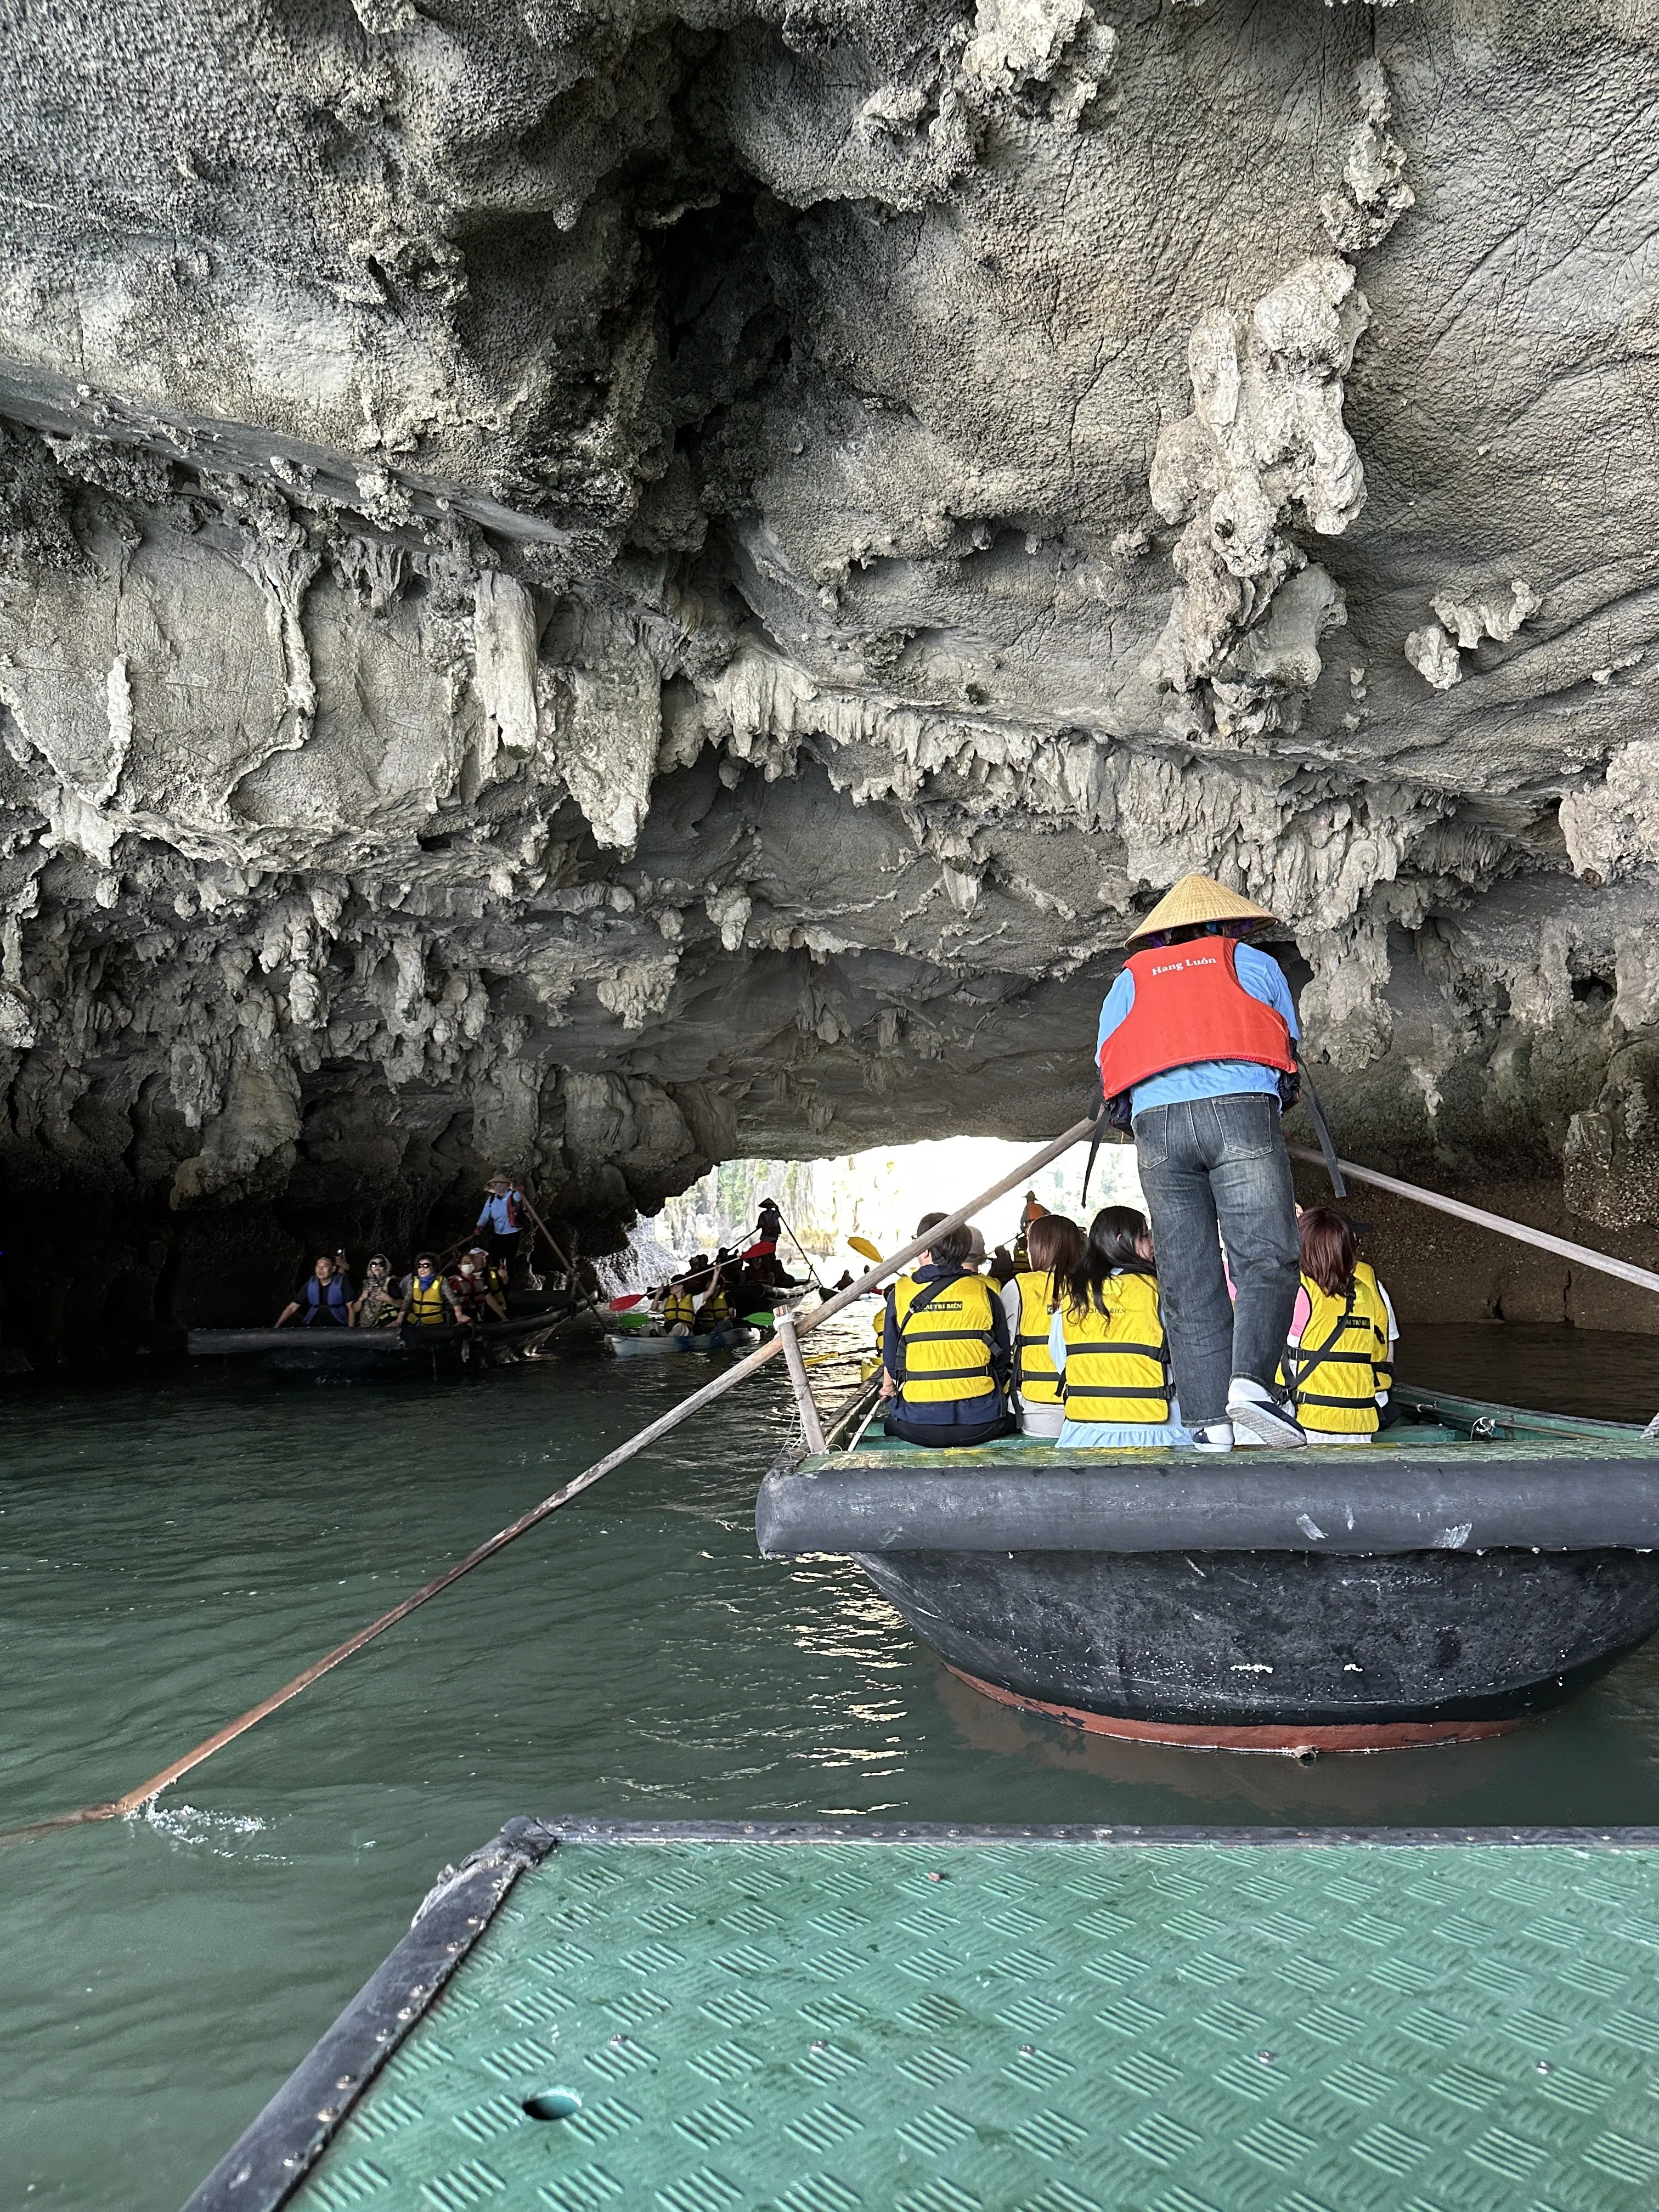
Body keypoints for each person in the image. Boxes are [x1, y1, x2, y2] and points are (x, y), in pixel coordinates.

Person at [1096, 872, 1304, 1455]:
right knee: (1264, 1256)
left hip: (1158, 1130)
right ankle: (1251, 1385)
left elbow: (1108, 1066)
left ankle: (1210, 1424)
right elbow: (1288, 1047)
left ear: (1163, 935)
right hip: (1240, 1113)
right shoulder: (1254, 963)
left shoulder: (1127, 981)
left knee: (1188, 1278)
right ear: (1226, 924)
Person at [1048, 1208, 1191, 1449]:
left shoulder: (1072, 1297)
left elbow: (1061, 1360)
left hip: (1085, 1435)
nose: (1152, 1243)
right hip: (1160, 1431)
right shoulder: (1162, 1292)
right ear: (1121, 1241)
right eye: (1145, 1236)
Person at [881, 1211, 1013, 1447]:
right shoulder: (985, 1292)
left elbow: (892, 1361)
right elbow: (1002, 1359)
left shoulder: (900, 1293)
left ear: (924, 1250)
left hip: (918, 1425)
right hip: (981, 1423)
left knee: (890, 1425)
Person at [1284, 1208, 1392, 1440]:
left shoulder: (1295, 1291)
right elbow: (1382, 1355)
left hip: (1309, 1423)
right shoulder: (1367, 1293)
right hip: (1361, 1423)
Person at [1001, 1213, 1086, 1439]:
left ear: (1039, 1247)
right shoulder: (1094, 1287)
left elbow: (1000, 1348)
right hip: (1090, 1405)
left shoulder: (1018, 1287)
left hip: (1036, 1411)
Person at [276, 1255, 355, 1327]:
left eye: (325, 1266)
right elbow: (294, 1306)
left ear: (333, 1269)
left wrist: (351, 1329)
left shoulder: (343, 1282)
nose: (321, 1269)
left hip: (337, 1323)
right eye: (318, 1266)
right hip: (313, 1322)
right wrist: (277, 1326)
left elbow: (351, 1307)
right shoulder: (312, 1282)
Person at [477, 1173, 527, 1284]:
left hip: (512, 1232)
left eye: (501, 1184)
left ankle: (510, 1279)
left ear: (506, 1185)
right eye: (496, 1184)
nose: (498, 1186)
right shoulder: (491, 1200)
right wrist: (480, 1225)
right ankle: (496, 1279)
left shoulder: (512, 1195)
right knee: (496, 1256)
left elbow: (519, 1197)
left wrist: (519, 1190)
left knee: (510, 1257)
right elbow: (485, 1214)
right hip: (498, 1232)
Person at [400, 1254, 464, 1328]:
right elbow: (407, 1302)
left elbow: (453, 1299)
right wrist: (399, 1320)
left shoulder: (441, 1281)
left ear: (434, 1268)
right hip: (414, 1323)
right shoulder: (413, 1282)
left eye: (426, 1266)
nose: (422, 1269)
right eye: (419, 1266)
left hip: (434, 1324)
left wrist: (459, 1315)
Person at [451, 1251, 507, 1325]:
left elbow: (490, 1299)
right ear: (459, 1266)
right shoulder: (454, 1282)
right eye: (465, 1262)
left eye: (470, 1262)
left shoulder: (480, 1281)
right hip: (461, 1321)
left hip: (478, 1319)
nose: (468, 1265)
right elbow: (452, 1302)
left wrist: (503, 1317)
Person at [351, 1254, 399, 1328]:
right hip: (367, 1327)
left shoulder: (390, 1282)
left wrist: (389, 1299)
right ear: (370, 1267)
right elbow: (355, 1309)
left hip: (387, 1325)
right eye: (374, 1264)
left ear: (386, 1267)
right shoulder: (365, 1284)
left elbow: (403, 1305)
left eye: (381, 1264)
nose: (377, 1267)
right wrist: (361, 1299)